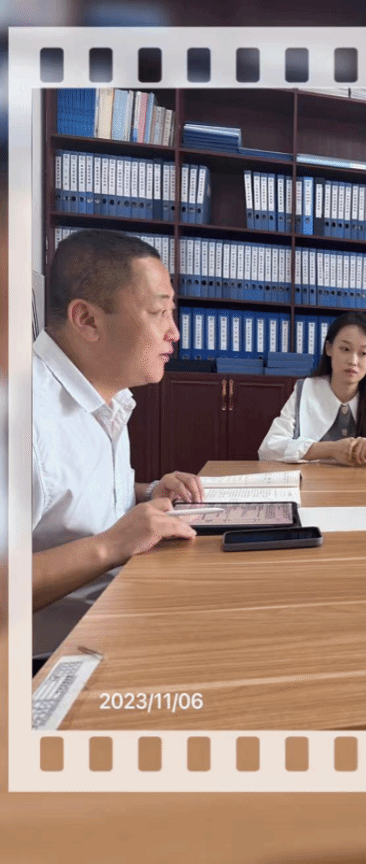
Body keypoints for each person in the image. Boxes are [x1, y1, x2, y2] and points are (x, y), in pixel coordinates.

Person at [33, 229, 203, 653]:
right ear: (87, 320)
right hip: (50, 662)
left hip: (118, 614)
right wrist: (110, 546)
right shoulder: (22, 417)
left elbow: (63, 499)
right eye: (158, 312)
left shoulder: (106, 393)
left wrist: (147, 492)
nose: (174, 333)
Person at [258, 311, 366, 464]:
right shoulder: (306, 390)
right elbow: (269, 448)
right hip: (313, 485)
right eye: (345, 349)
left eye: (363, 353)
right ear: (329, 349)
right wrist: (330, 449)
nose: (353, 361)